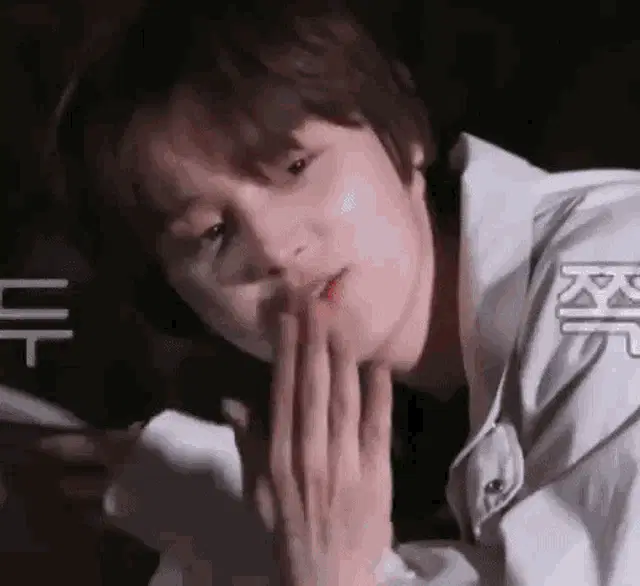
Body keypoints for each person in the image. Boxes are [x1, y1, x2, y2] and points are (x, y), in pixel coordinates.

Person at [42, 0, 640, 583]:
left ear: (402, 133)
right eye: (212, 234)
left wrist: (319, 567)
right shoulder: (356, 425)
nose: (274, 249)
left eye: (295, 167)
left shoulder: (608, 276)